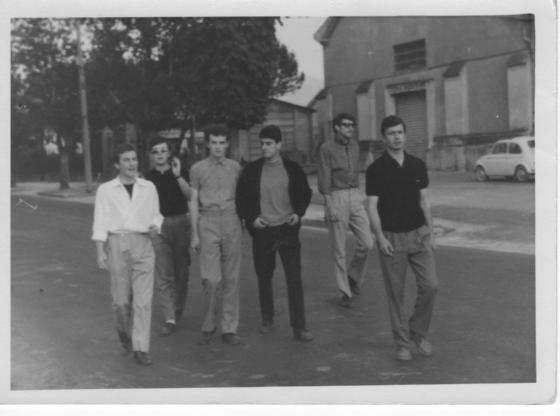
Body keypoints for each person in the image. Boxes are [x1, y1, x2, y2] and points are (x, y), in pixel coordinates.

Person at [365, 115, 439, 361]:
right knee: (396, 294)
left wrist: (431, 232)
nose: (396, 137)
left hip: (419, 235)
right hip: (391, 238)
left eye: (399, 132)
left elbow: (424, 201)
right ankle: (402, 343)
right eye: (391, 133)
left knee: (431, 285)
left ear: (405, 135)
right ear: (384, 138)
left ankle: (418, 331)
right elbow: (371, 206)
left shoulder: (417, 165)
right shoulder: (376, 169)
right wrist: (379, 237)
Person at [236, 125, 314, 342]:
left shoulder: (293, 169)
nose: (264, 147)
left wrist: (298, 213)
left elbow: (305, 193)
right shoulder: (252, 170)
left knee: (294, 279)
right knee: (264, 276)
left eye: (269, 144)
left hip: (286, 230)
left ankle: (300, 327)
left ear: (279, 145)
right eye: (262, 144)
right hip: (263, 231)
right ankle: (267, 318)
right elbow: (241, 199)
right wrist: (252, 219)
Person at [92, 143, 163, 366]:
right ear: (117, 164)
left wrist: (155, 225)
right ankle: (123, 331)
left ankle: (141, 347)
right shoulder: (105, 190)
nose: (132, 164)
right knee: (121, 302)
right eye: (126, 160)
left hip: (143, 243)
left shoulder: (148, 187)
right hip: (117, 244)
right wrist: (100, 251)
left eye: (134, 159)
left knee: (143, 301)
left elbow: (157, 214)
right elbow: (100, 221)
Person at [189, 126, 243, 345]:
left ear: (227, 144)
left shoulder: (236, 168)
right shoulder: (197, 169)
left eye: (222, 142)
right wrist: (194, 234)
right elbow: (193, 201)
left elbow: (243, 196)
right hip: (207, 221)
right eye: (214, 142)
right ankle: (209, 323)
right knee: (211, 279)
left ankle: (229, 327)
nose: (218, 147)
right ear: (207, 144)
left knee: (231, 278)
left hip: (231, 220)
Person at [318, 113, 374, 308]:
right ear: (336, 127)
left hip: (355, 195)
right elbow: (324, 176)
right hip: (336, 196)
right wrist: (329, 204)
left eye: (352, 125)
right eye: (346, 125)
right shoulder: (326, 148)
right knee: (339, 249)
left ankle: (353, 276)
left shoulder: (355, 146)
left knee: (367, 243)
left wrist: (360, 197)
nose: (350, 128)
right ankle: (345, 291)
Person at [144, 138, 191, 336]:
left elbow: (190, 196)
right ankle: (169, 318)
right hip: (159, 226)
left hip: (181, 222)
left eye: (163, 151)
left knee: (181, 271)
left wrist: (178, 175)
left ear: (169, 153)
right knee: (163, 272)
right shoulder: (147, 178)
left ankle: (177, 307)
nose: (160, 155)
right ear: (151, 155)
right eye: (156, 151)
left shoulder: (180, 171)